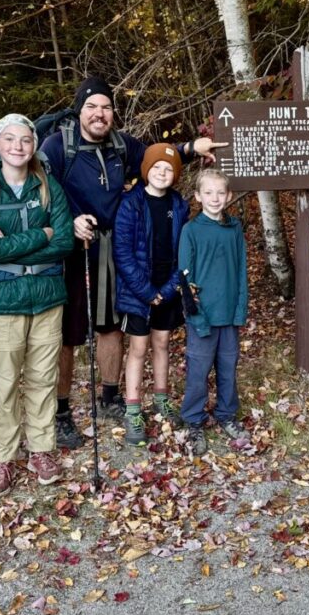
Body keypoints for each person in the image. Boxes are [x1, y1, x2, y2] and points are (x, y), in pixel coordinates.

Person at [39, 76, 224, 449]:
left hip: (110, 247)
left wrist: (191, 146)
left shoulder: (121, 145)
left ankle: (109, 397)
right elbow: (43, 186)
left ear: (113, 113)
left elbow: (158, 160)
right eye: (91, 106)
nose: (99, 113)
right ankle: (60, 412)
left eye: (105, 107)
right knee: (69, 334)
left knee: (110, 325)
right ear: (79, 111)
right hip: (70, 249)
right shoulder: (58, 145)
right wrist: (68, 219)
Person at [0, 114, 75, 496]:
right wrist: (39, 233)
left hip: (48, 295)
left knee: (44, 379)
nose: (18, 146)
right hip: (4, 297)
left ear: (34, 146)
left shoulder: (48, 186)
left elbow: (64, 241)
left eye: (25, 140)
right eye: (10, 140)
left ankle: (42, 450)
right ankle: (3, 458)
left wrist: (21, 239)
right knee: (6, 382)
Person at [112, 143, 188, 446]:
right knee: (138, 348)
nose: (162, 173)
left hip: (167, 288)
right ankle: (133, 408)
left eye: (168, 169)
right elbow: (123, 253)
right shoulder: (131, 204)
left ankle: (161, 399)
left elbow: (185, 251)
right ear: (146, 170)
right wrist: (146, 292)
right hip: (137, 292)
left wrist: (168, 289)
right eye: (157, 167)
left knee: (162, 343)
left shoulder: (179, 205)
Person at [178, 169, 249, 456]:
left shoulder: (234, 229)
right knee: (198, 370)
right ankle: (194, 420)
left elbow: (242, 271)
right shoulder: (191, 231)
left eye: (220, 192)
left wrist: (240, 309)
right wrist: (196, 316)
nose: (215, 198)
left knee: (228, 368)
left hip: (229, 315)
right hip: (202, 317)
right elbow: (186, 279)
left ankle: (226, 414)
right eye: (208, 193)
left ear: (229, 195)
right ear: (197, 196)